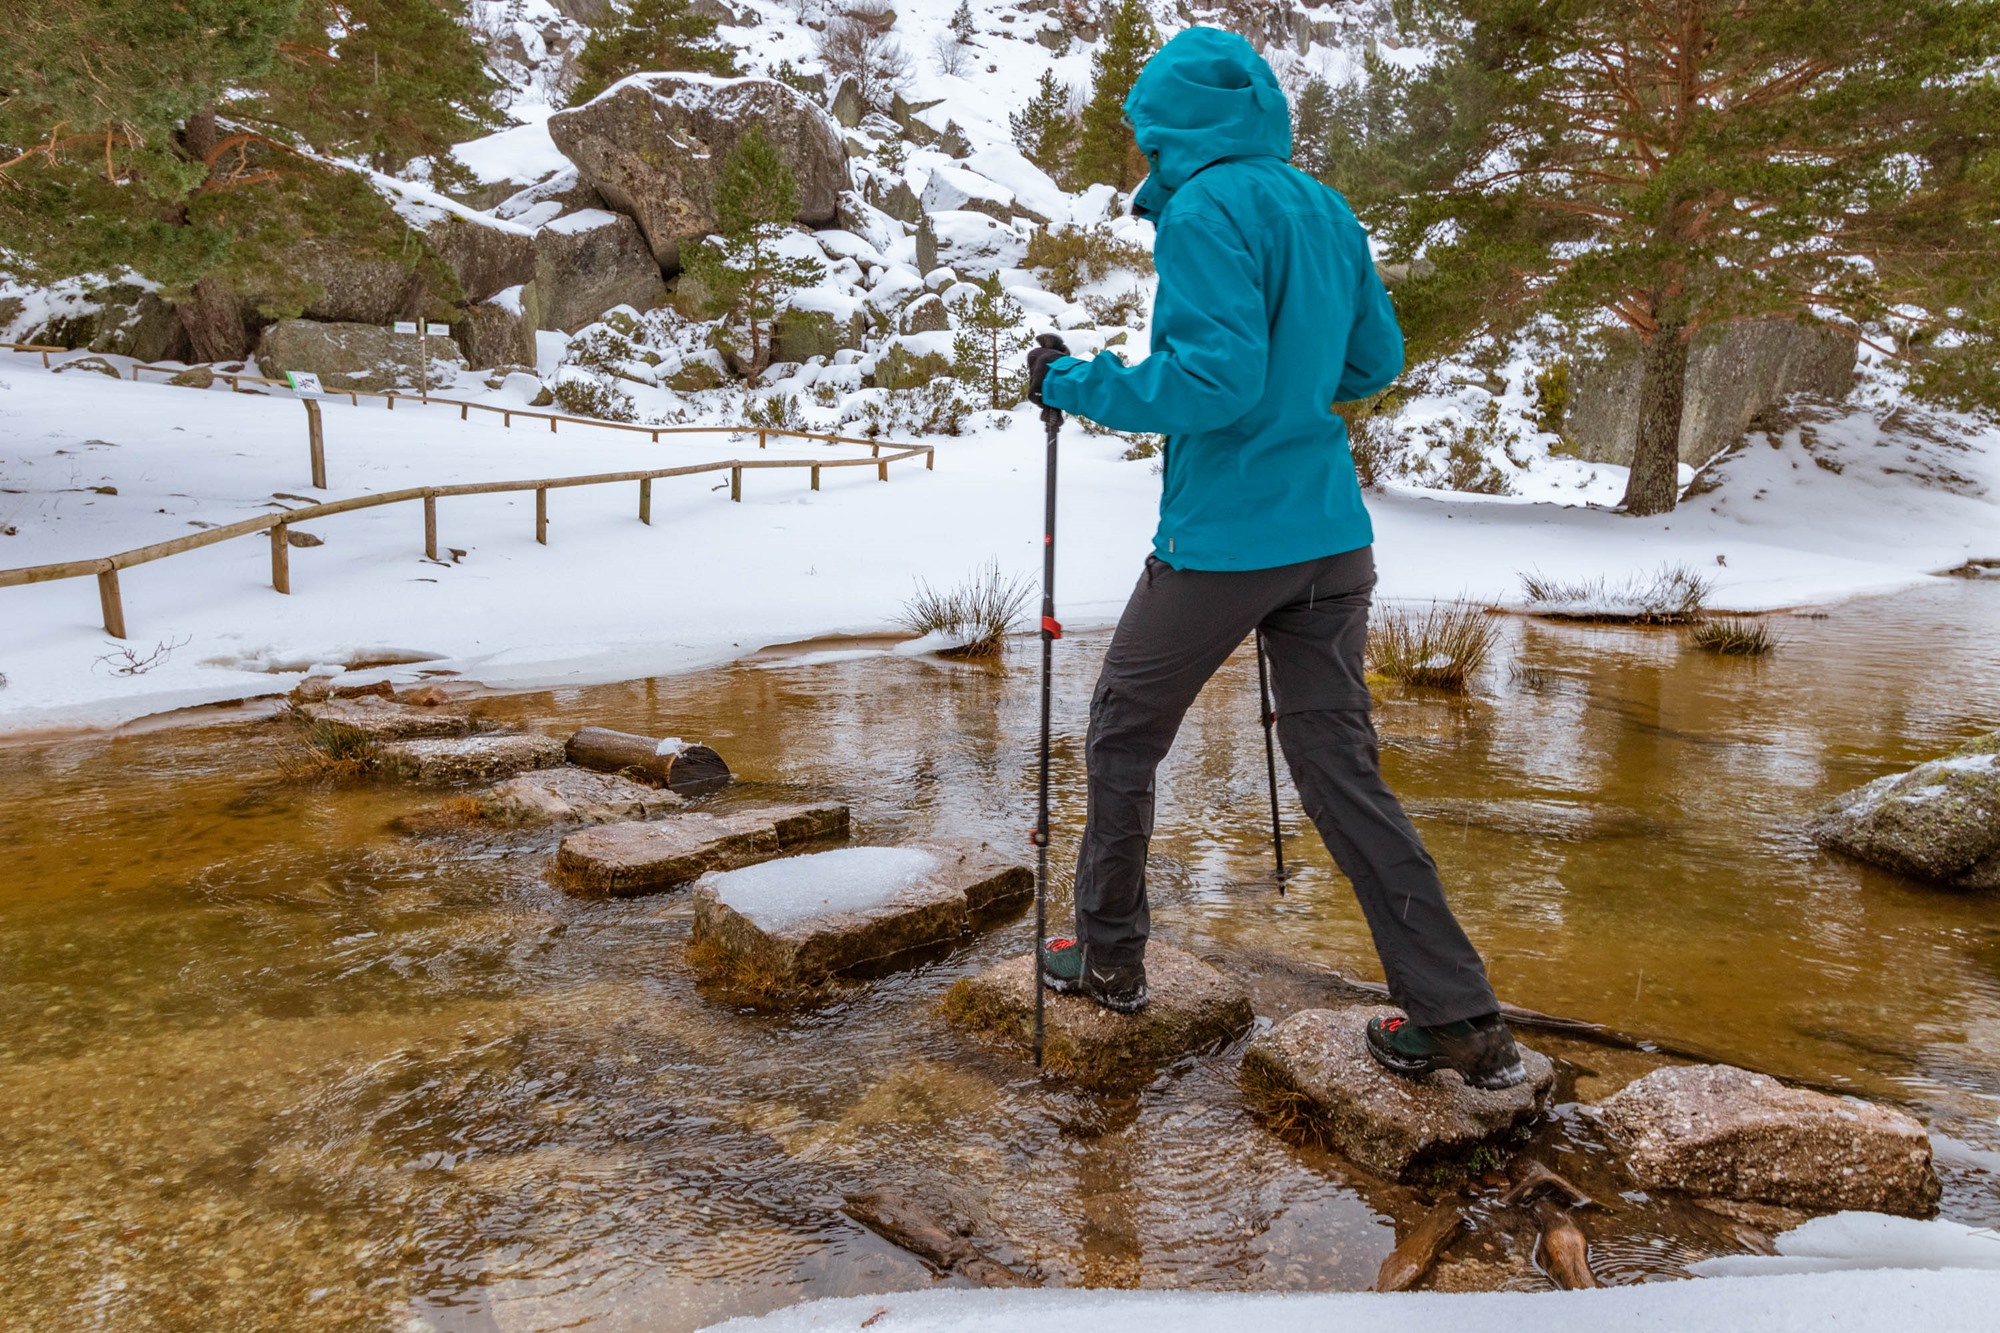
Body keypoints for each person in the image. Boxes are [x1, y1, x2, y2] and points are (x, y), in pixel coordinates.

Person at [1024, 26, 1526, 1090]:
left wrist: (1074, 380)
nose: (1141, 154)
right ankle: (1460, 1018)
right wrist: (1298, 392)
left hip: (1223, 543)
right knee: (1342, 772)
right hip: (1330, 538)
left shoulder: (1205, 209)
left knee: (1121, 733)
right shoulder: (1321, 204)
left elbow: (1209, 385)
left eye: (1144, 134)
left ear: (1171, 126)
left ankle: (1106, 959)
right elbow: (1373, 359)